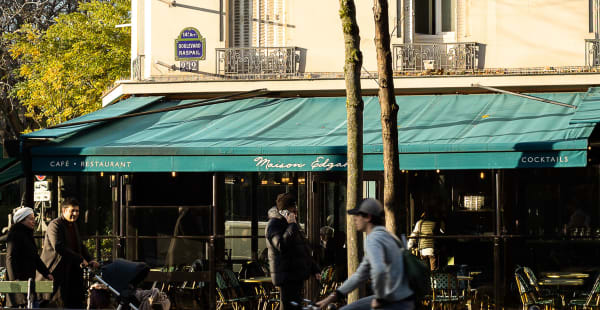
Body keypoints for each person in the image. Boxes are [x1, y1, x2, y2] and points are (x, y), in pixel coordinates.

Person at [316, 198, 414, 310]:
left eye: (358, 215)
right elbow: (359, 275)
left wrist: (379, 299)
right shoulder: (387, 236)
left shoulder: (373, 239)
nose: (354, 219)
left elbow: (379, 270)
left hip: (393, 301)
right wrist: (331, 297)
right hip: (404, 298)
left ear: (368, 217)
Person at [40, 197, 100, 308]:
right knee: (54, 303)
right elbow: (59, 247)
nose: (75, 213)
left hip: (71, 272)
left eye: (77, 211)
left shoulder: (74, 225)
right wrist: (80, 259)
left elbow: (80, 246)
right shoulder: (55, 225)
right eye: (72, 210)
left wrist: (90, 258)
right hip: (55, 271)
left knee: (73, 301)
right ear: (64, 210)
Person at [265, 192, 320, 310]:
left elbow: (303, 247)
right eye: (293, 211)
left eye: (296, 211)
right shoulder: (274, 225)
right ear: (284, 211)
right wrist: (291, 226)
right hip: (286, 276)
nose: (295, 214)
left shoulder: (292, 225)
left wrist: (313, 267)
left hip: (295, 275)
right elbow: (281, 246)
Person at [6, 207, 53, 307]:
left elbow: (35, 257)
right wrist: (14, 281)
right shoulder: (15, 234)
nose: (34, 221)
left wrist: (46, 273)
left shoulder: (28, 234)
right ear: (22, 220)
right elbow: (10, 258)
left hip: (29, 282)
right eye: (30, 219)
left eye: (34, 219)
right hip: (19, 283)